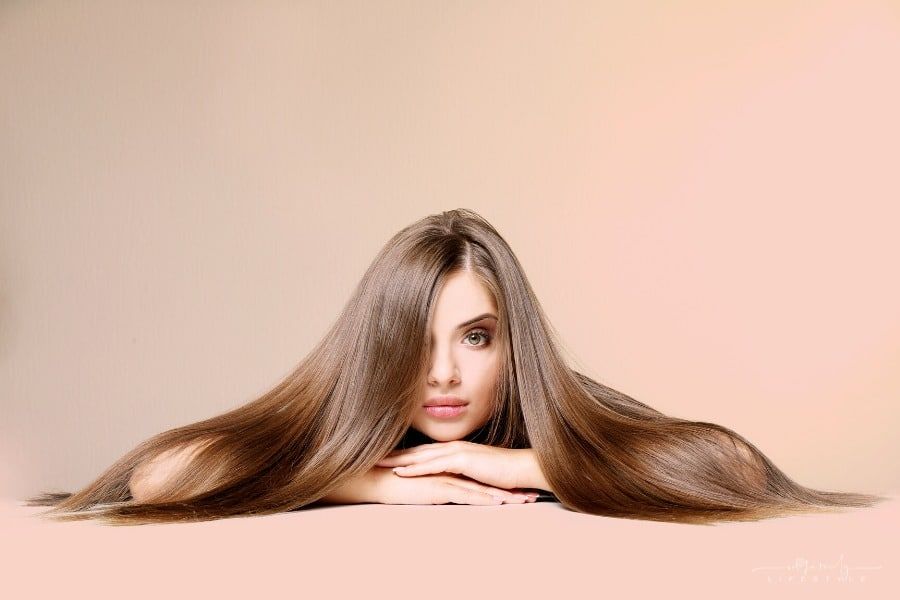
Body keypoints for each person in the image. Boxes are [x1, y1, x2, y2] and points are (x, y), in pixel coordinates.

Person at [26, 209, 886, 525]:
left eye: (475, 338)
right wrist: (370, 484)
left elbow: (732, 466)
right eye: (416, 342)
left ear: (514, 348)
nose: (442, 374)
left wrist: (517, 465)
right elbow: (161, 475)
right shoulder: (333, 423)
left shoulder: (551, 418)